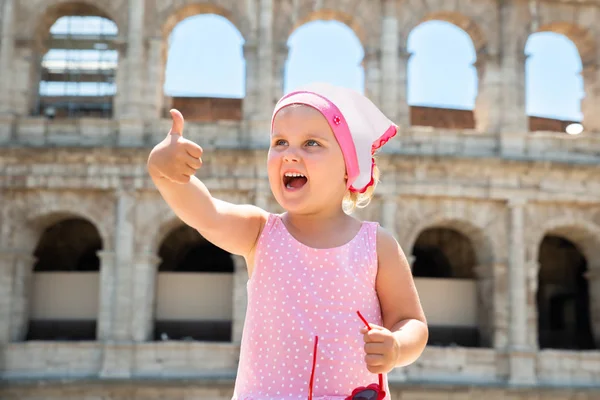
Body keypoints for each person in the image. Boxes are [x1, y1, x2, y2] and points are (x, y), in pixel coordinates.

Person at [147, 83, 428, 400]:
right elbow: (206, 212)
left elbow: (410, 320)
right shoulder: (260, 232)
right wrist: (167, 176)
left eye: (311, 143)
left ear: (350, 169)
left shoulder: (377, 245)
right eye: (280, 142)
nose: (290, 153)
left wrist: (398, 347)